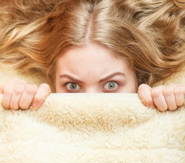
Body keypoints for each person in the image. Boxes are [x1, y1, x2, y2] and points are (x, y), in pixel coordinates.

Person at [0, 0, 185, 112]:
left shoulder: (157, 102)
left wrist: (168, 113)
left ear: (138, 78)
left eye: (111, 85)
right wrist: (20, 111)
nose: (91, 103)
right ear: (52, 80)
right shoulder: (38, 100)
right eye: (72, 86)